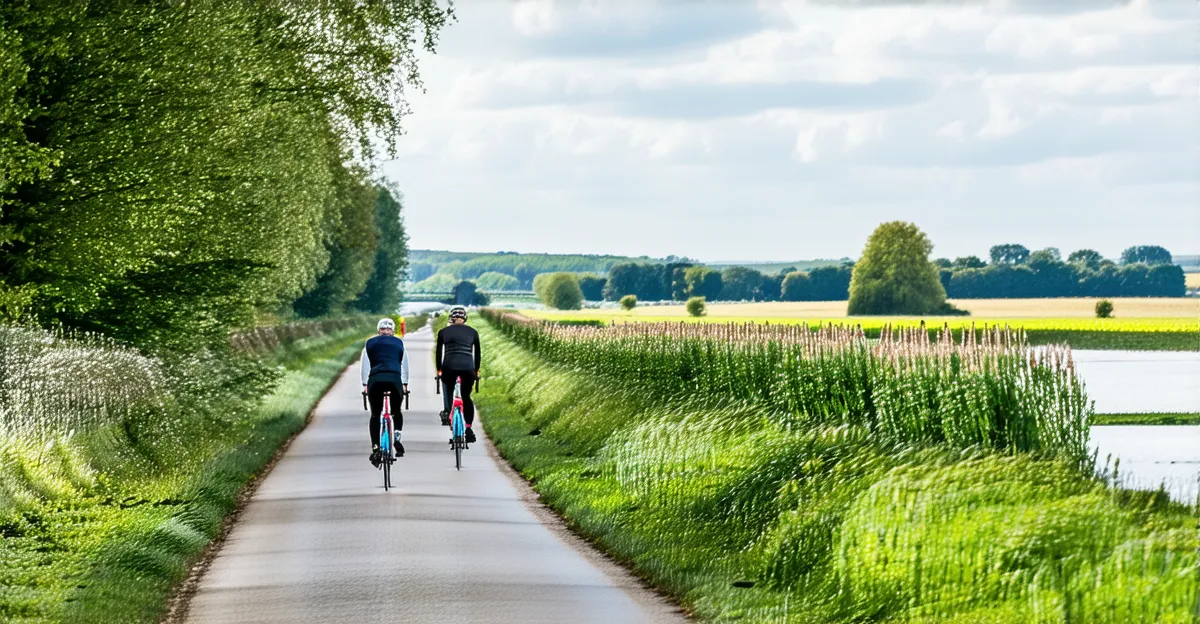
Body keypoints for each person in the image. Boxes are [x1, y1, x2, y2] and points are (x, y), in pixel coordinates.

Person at [361, 317, 409, 466]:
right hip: (394, 379)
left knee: (375, 414)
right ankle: (397, 439)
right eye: (386, 329)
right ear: (393, 332)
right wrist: (405, 383)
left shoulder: (370, 343)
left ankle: (376, 448)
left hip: (375, 380)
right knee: (396, 411)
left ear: (378, 331)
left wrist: (365, 384)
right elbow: (404, 363)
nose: (386, 331)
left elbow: (365, 365)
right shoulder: (399, 342)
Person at [436, 305, 480, 444]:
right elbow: (477, 355)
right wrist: (476, 371)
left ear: (452, 318)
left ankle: (447, 411)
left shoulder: (443, 332)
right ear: (464, 318)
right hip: (468, 368)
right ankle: (468, 428)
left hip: (449, 366)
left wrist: (439, 370)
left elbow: (438, 354)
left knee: (448, 388)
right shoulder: (473, 332)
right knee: (466, 396)